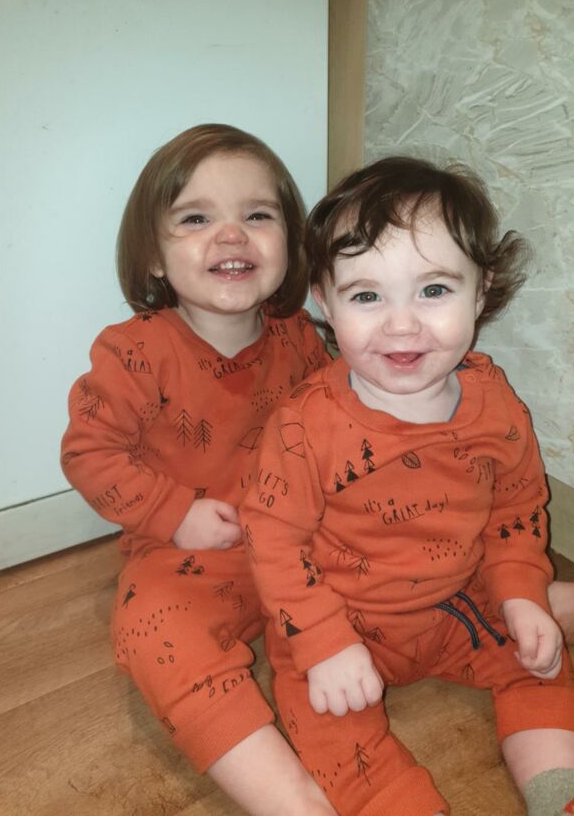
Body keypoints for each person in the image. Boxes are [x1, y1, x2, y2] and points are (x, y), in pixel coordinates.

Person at [240, 156, 574, 816]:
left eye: (433, 290)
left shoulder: (494, 402)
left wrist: (521, 594)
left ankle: (565, 799)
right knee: (334, 734)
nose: (401, 324)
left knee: (540, 667)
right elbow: (272, 541)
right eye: (367, 296)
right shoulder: (304, 426)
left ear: (480, 292)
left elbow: (516, 510)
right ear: (324, 301)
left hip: (459, 602)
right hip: (338, 620)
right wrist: (323, 644)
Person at [60, 124, 335, 815]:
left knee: (410, 548)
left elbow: (335, 431)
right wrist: (173, 512)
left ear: (289, 242)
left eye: (258, 215)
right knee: (151, 625)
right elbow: (88, 452)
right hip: (191, 561)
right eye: (195, 218)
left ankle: (525, 608)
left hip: (303, 547)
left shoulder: (302, 339)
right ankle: (289, 797)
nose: (232, 234)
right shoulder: (133, 352)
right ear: (154, 256)